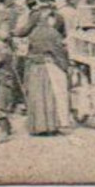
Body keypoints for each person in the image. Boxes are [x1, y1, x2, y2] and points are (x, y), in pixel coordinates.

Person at [21, 8, 70, 136]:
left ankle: (37, 126)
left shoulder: (34, 32)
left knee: (37, 97)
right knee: (51, 96)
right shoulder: (52, 33)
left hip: (34, 67)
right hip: (49, 66)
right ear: (48, 19)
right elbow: (58, 52)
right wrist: (65, 67)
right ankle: (51, 126)